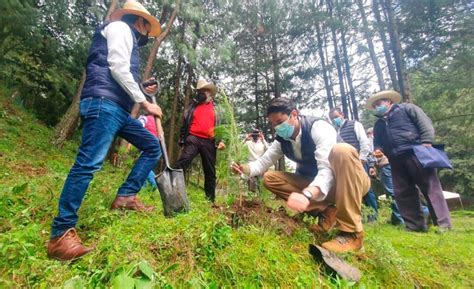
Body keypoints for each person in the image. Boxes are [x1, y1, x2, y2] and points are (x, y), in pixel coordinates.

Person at [47, 1, 163, 261]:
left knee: (151, 146)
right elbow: (117, 68)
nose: (147, 34)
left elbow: (123, 74)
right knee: (88, 163)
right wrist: (145, 104)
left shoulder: (127, 37)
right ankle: (60, 235)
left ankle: (126, 196)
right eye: (147, 27)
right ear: (139, 22)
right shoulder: (120, 27)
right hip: (103, 103)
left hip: (118, 109)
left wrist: (144, 89)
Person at [232, 97, 370, 253]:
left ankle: (352, 233)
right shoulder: (282, 141)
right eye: (273, 124)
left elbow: (327, 170)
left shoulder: (318, 128)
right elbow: (262, 163)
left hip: (348, 181)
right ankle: (326, 212)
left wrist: (308, 193)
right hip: (320, 187)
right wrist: (244, 169)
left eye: (279, 122)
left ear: (294, 114)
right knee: (270, 178)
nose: (276, 127)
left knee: (342, 151)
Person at [366, 90, 452, 232]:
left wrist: (426, 142)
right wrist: (378, 150)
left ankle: (443, 224)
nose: (376, 107)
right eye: (374, 105)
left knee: (431, 188)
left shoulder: (407, 109)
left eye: (379, 103)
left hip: (417, 153)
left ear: (389, 101)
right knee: (403, 193)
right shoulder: (379, 124)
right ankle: (415, 225)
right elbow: (378, 142)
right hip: (395, 160)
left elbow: (425, 123)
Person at [175, 79, 225, 203]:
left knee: (210, 170)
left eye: (205, 91)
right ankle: (173, 189)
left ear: (210, 93)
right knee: (183, 160)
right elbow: (185, 123)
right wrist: (182, 140)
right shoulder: (192, 106)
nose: (203, 93)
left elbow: (222, 126)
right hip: (193, 137)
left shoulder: (217, 109)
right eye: (200, 91)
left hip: (210, 141)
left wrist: (222, 140)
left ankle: (210, 200)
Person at [329, 108, 378, 222]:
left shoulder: (355, 124)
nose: (334, 120)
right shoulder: (334, 131)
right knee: (348, 189)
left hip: (357, 161)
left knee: (366, 188)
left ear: (342, 114)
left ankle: (373, 216)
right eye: (332, 118)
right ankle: (357, 216)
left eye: (336, 116)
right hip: (343, 164)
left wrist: (361, 159)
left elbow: (364, 142)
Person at [366, 128, 405, 225]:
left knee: (390, 192)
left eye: (369, 134)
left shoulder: (377, 142)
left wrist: (372, 165)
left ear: (373, 133)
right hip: (391, 165)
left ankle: (400, 219)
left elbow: (374, 154)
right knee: (398, 190)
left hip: (385, 166)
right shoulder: (386, 140)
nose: (369, 136)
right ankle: (396, 218)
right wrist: (372, 167)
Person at [138, 113, 159, 190]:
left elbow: (138, 126)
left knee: (143, 166)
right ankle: (143, 186)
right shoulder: (156, 121)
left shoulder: (144, 118)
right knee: (145, 165)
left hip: (145, 144)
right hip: (155, 146)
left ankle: (155, 185)